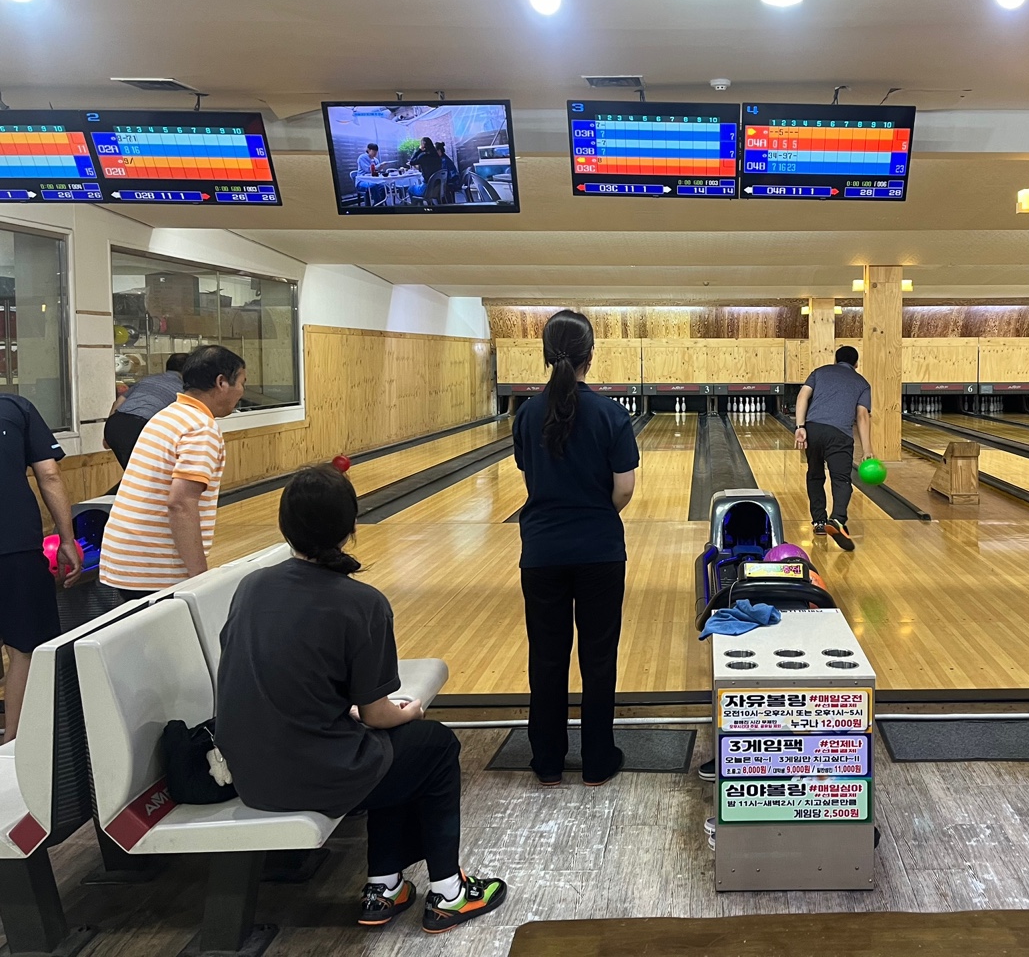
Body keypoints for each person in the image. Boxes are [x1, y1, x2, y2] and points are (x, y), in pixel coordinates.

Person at [216, 464, 508, 934]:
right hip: (310, 778)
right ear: (351, 527)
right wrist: (408, 711)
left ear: (285, 527)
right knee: (431, 745)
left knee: (389, 750)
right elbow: (376, 713)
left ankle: (384, 887)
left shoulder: (250, 587)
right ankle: (449, 892)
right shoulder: (362, 603)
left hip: (250, 775)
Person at [512, 310, 639, 787]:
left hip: (542, 552)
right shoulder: (612, 414)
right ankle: (597, 761)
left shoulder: (526, 414)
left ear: (546, 354)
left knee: (546, 658)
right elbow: (624, 488)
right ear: (591, 355)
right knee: (598, 658)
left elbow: (532, 475)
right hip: (600, 551)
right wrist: (597, 515)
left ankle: (546, 761)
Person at [99, 345, 246, 599]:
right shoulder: (201, 428)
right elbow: (181, 503)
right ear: (222, 382)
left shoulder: (166, 416)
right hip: (153, 570)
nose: (242, 392)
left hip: (126, 561)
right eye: (242, 382)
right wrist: (201, 579)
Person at [0, 394, 81, 743]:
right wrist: (67, 539)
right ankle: (13, 741)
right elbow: (49, 474)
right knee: (25, 648)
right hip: (15, 542)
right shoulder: (15, 408)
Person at [793, 346, 874, 551]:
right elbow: (862, 416)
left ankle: (819, 522)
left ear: (835, 360)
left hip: (813, 429)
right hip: (840, 435)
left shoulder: (819, 372)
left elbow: (802, 396)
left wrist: (800, 427)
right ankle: (837, 518)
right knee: (841, 479)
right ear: (856, 363)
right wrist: (867, 450)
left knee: (815, 475)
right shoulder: (862, 383)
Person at [104, 351, 188, 471]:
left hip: (115, 424)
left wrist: (106, 437)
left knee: (134, 473)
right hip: (140, 426)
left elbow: (118, 402)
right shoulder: (184, 388)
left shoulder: (148, 380)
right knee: (144, 474)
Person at [408, 137, 441, 206]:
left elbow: (411, 161)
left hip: (426, 189)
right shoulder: (437, 156)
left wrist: (419, 150)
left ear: (423, 145)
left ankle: (416, 208)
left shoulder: (423, 156)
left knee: (410, 189)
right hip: (437, 188)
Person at [355, 142, 386, 207]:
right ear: (368, 150)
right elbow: (368, 169)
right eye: (373, 151)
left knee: (384, 187)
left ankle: (377, 204)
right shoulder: (362, 157)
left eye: (376, 152)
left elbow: (376, 171)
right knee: (372, 186)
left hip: (373, 180)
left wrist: (381, 167)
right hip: (362, 181)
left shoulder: (376, 160)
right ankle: (379, 205)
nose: (375, 153)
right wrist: (378, 166)